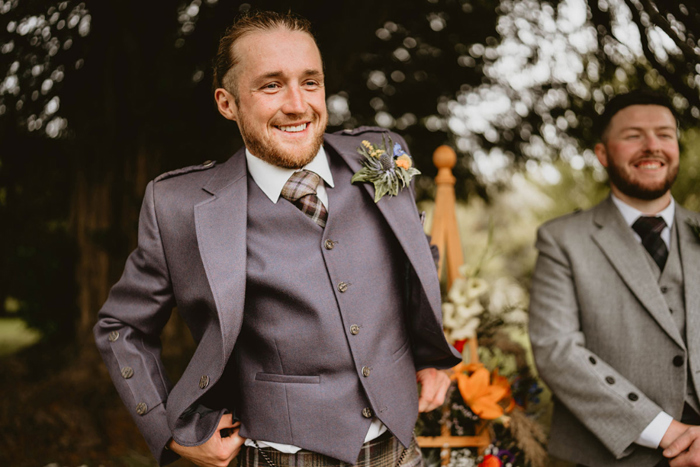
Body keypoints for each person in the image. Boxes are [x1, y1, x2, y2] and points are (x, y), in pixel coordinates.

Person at [94, 10, 461, 467]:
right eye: (271, 85)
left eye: (311, 82)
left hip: (402, 451)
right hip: (278, 457)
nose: (298, 105)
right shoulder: (179, 206)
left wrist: (432, 354)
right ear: (227, 103)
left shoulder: (382, 154)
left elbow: (414, 258)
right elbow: (122, 327)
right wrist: (170, 432)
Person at [529, 89, 700, 467]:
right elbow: (556, 350)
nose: (652, 145)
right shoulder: (562, 240)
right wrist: (671, 432)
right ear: (603, 153)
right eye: (633, 135)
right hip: (604, 458)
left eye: (665, 134)